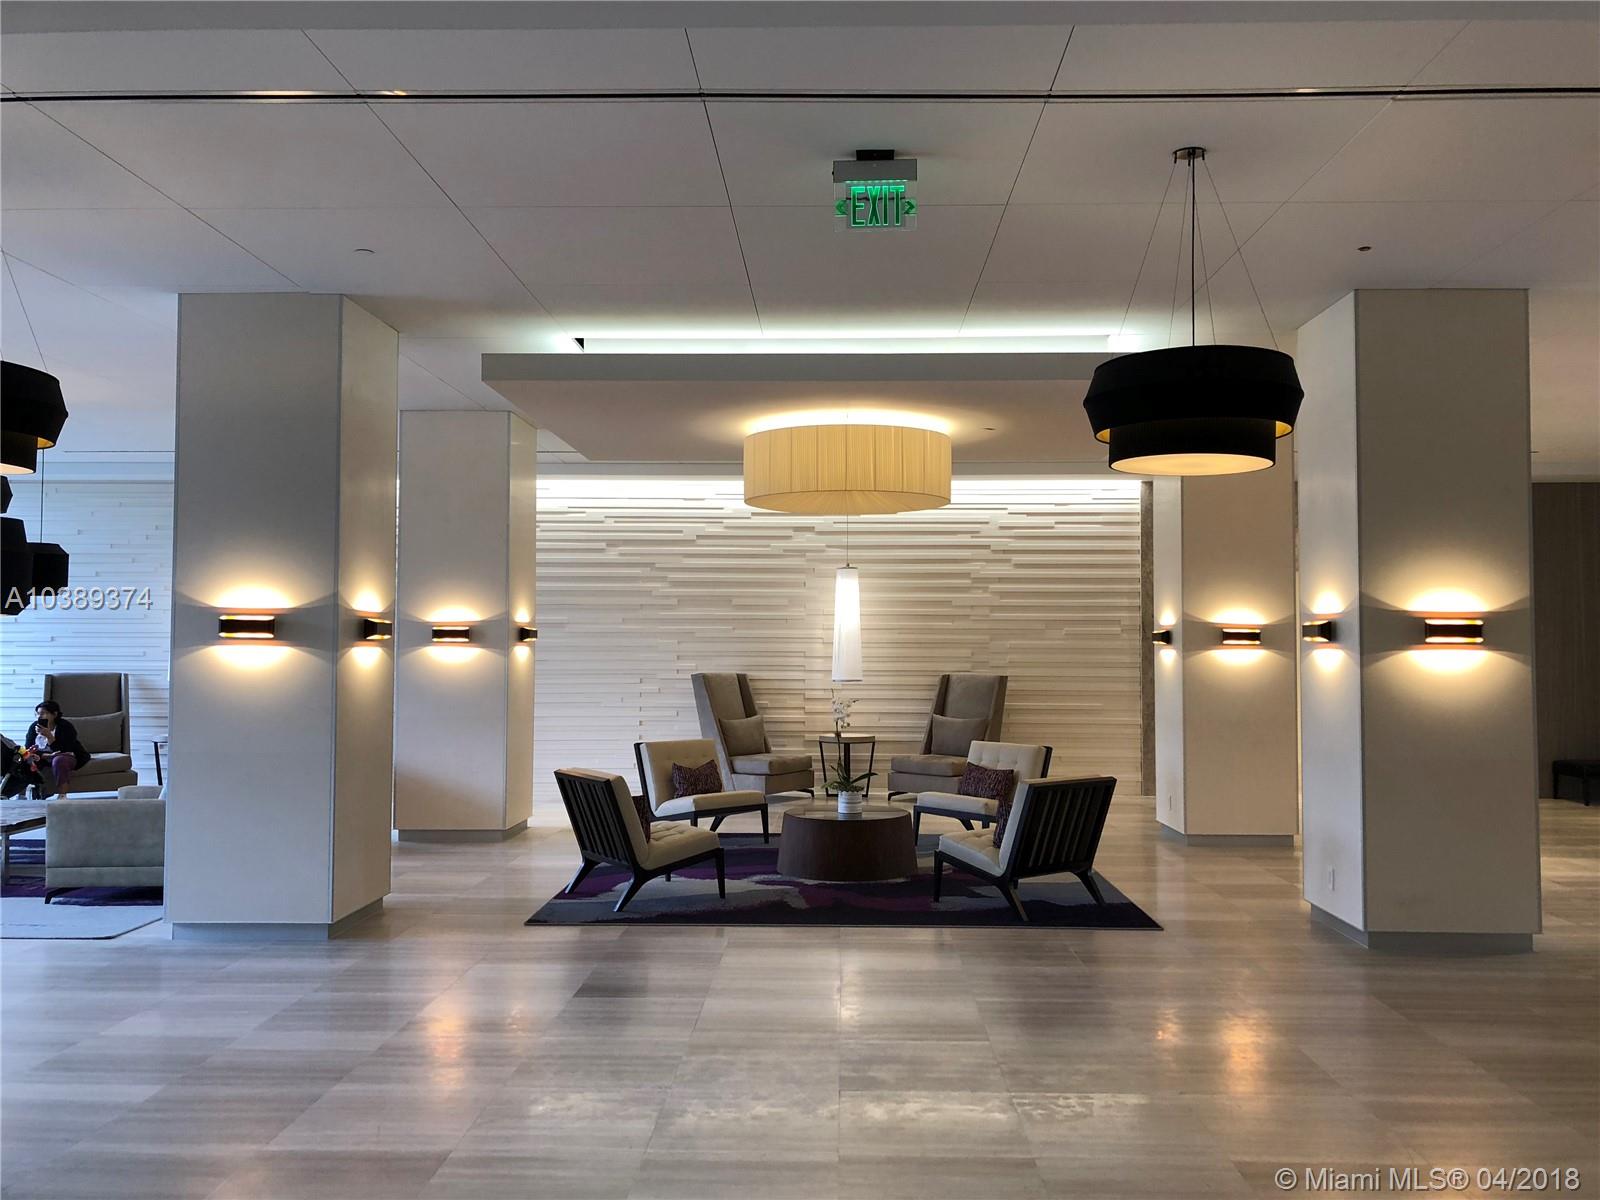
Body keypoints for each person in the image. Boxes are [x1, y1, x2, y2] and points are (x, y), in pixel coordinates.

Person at [10, 701, 89, 800]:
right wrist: (46, 756)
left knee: (59, 760)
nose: (39, 717)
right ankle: (20, 795)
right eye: (37, 714)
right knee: (23, 760)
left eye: (43, 713)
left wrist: (49, 736)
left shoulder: (65, 726)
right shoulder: (34, 727)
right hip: (43, 757)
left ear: (54, 714)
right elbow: (28, 748)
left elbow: (65, 749)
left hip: (66, 755)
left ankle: (62, 795)